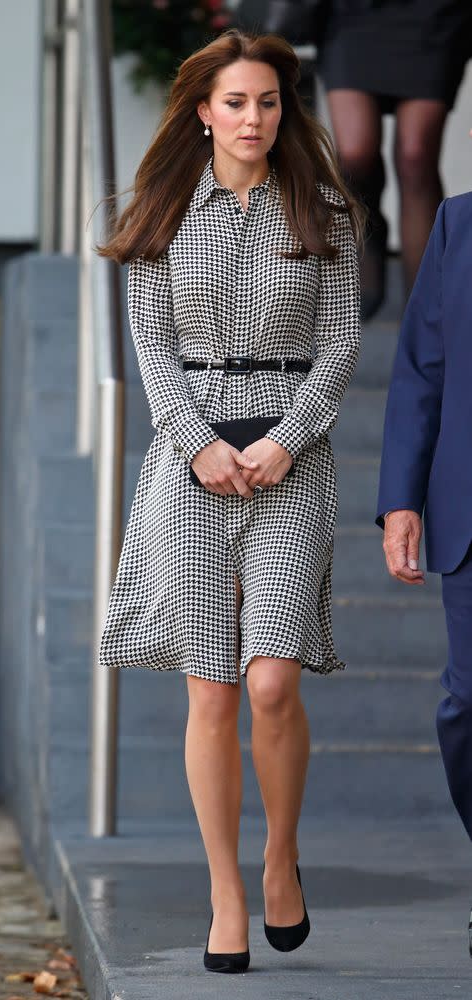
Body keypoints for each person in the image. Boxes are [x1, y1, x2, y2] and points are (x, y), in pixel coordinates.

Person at [97, 27, 362, 974]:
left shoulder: (324, 210)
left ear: (282, 112)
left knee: (271, 682)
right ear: (203, 110)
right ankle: (223, 891)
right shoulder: (163, 210)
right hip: (192, 464)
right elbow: (152, 349)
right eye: (236, 102)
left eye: (268, 102)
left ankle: (280, 856)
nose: (254, 118)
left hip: (294, 460)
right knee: (211, 690)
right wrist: (201, 443)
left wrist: (285, 440)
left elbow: (338, 346)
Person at [376, 173, 472, 954]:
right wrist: (401, 499)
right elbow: (420, 372)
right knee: (466, 710)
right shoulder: (456, 225)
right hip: (468, 518)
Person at [317, 0, 472, 319]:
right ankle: (369, 229)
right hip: (352, 17)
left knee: (416, 156)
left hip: (434, 16)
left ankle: (427, 313)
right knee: (354, 154)